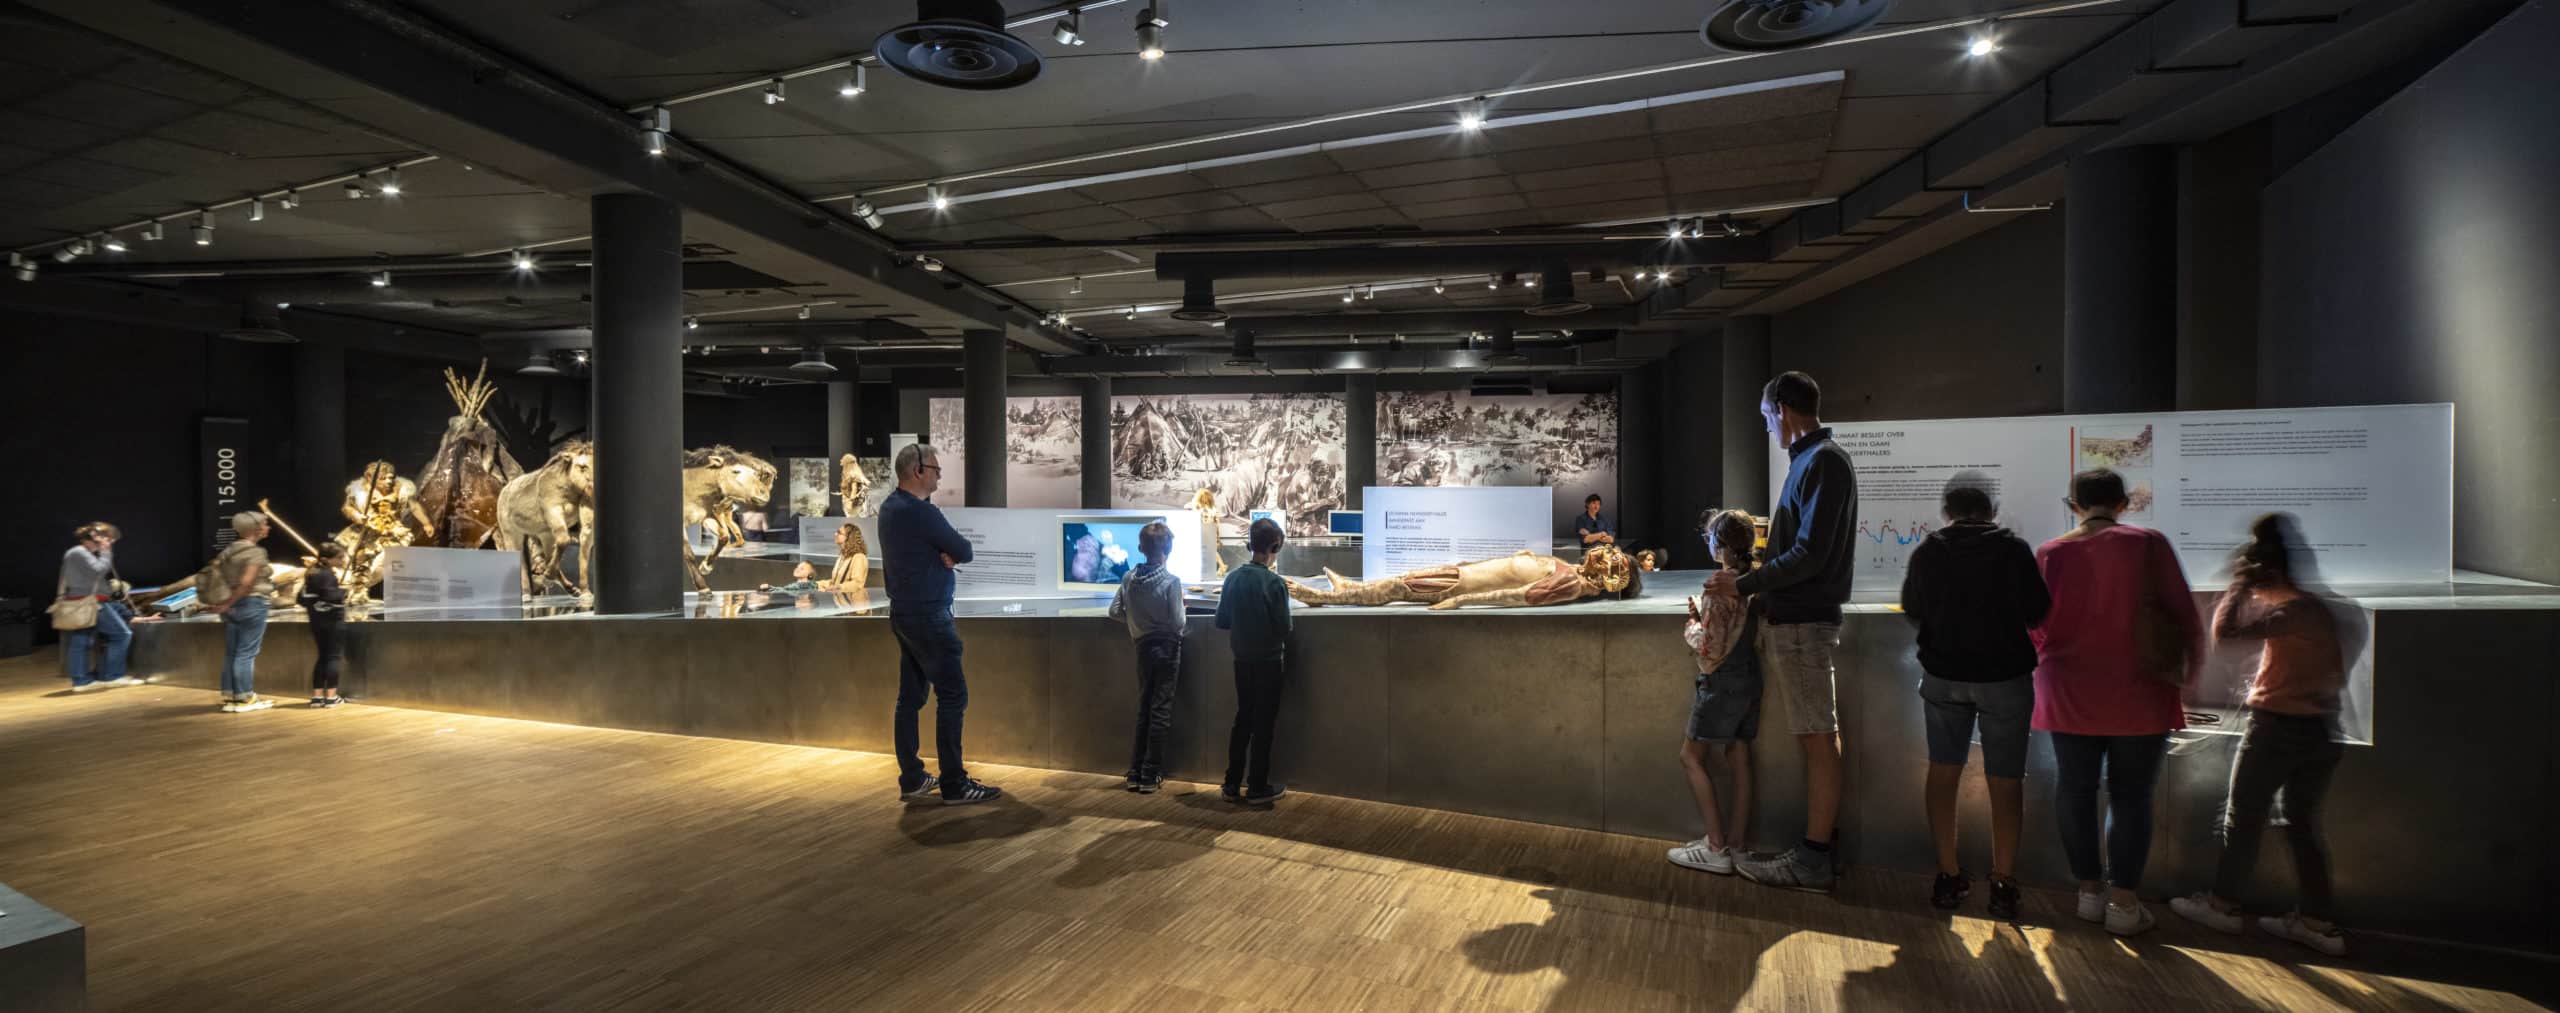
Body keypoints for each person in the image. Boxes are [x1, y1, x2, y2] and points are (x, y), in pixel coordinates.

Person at [2032, 468, 2202, 936]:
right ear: (2125, 503)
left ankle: (2089, 894)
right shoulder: (2150, 543)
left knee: (2075, 790)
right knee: (2131, 797)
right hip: (2141, 691)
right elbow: (2184, 618)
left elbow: (2034, 625)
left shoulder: (2050, 552)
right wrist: (2187, 679)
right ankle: (2124, 905)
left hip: (2068, 690)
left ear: (2074, 506)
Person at [2172, 514, 2350, 956]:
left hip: (2277, 728)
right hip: (2322, 730)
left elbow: (2227, 636)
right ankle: (2317, 922)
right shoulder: (2318, 609)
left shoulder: (2292, 611)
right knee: (2302, 825)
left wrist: (2236, 587)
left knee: (2244, 818)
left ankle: (2223, 906)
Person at [1710, 371, 1858, 894]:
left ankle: (1814, 859)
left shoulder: (1823, 463)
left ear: (1783, 411)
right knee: (1817, 735)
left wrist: (1744, 584)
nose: (1767, 426)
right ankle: (1816, 849)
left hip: (1803, 623)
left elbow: (1810, 554)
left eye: (1767, 417)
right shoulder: (1812, 462)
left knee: (1818, 737)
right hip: (1796, 619)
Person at [1900, 474, 2051, 919]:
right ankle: (2003, 882)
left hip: (1944, 677)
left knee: (1943, 773)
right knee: (2005, 781)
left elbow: (1913, 608)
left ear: (1948, 512)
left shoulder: (1929, 551)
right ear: (1992, 512)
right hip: (2005, 679)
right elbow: (2038, 611)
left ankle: (1948, 875)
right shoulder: (2014, 549)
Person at [879, 443, 1000, 805]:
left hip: (904, 613)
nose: (939, 475)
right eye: (935, 468)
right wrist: (945, 554)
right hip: (930, 615)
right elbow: (964, 550)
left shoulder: (890, 508)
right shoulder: (921, 513)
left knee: (910, 697)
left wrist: (939, 554)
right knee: (952, 696)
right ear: (917, 470)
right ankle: (954, 783)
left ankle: (913, 777)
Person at [1669, 509, 1762, 876]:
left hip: (1720, 682)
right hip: (1749, 678)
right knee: (1739, 755)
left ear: (1718, 543)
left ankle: (1715, 846)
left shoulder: (1717, 586)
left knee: (1691, 757)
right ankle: (1737, 844)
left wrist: (1692, 626)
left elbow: (1709, 646)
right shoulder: (1752, 581)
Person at [1216, 518, 1291, 805]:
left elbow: (1222, 621)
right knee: (1264, 724)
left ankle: (1231, 784)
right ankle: (1258, 786)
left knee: (1243, 719)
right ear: (1274, 546)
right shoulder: (1274, 583)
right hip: (1270, 662)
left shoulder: (1232, 578)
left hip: (1241, 661)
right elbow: (1284, 627)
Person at [1108, 521, 1185, 794]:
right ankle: (1151, 774)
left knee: (1144, 708)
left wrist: (1136, 624)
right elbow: (1178, 622)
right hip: (1167, 648)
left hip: (1141, 646)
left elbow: (1114, 611)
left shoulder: (1129, 578)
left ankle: (1135, 772)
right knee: (1160, 709)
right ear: (1169, 549)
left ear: (1141, 548)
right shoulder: (1171, 582)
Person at [207, 511, 279, 713]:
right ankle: (245, 697)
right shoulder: (255, 552)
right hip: (251, 604)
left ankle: (231, 695)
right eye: (265, 523)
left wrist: (225, 603)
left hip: (232, 607)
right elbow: (247, 583)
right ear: (255, 528)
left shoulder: (228, 550)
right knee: (246, 653)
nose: (268, 527)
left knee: (233, 651)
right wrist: (230, 601)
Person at [58, 522, 143, 692]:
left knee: (82, 641)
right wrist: (106, 552)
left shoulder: (80, 554)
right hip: (90, 602)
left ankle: (82, 682)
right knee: (121, 634)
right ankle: (111, 676)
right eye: (108, 540)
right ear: (95, 537)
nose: (110, 543)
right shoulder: (78, 553)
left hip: (87, 602)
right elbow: (99, 570)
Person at [300, 542, 350, 708]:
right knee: (333, 657)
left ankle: (317, 696)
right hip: (332, 621)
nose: (343, 560)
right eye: (339, 557)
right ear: (326, 559)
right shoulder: (327, 575)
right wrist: (345, 592)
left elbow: (301, 598)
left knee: (322, 656)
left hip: (316, 621)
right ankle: (331, 697)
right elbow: (331, 595)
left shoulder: (311, 574)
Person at [828, 523, 869, 592]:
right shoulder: (842, 556)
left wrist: (838, 587)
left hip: (851, 601)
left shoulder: (859, 557)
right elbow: (834, 582)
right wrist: (813, 585)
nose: (835, 534)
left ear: (849, 537)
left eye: (839, 533)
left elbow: (856, 584)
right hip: (839, 600)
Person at [758, 561, 824, 594]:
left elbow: (785, 590)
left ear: (810, 574)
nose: (797, 569)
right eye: (797, 567)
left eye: (802, 568)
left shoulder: (805, 585)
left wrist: (770, 588)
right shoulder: (810, 585)